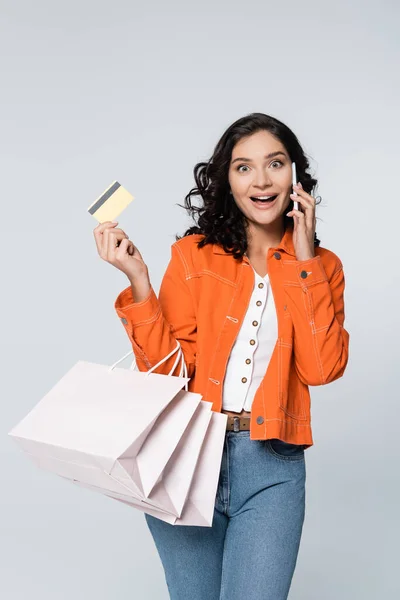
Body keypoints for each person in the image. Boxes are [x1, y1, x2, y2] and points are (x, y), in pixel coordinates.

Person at [93, 112, 350, 600]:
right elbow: (168, 372)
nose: (261, 180)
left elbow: (322, 368)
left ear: (294, 174)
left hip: (272, 463)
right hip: (188, 458)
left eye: (275, 163)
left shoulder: (323, 267)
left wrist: (304, 260)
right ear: (227, 181)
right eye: (243, 167)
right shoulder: (194, 256)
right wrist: (139, 283)